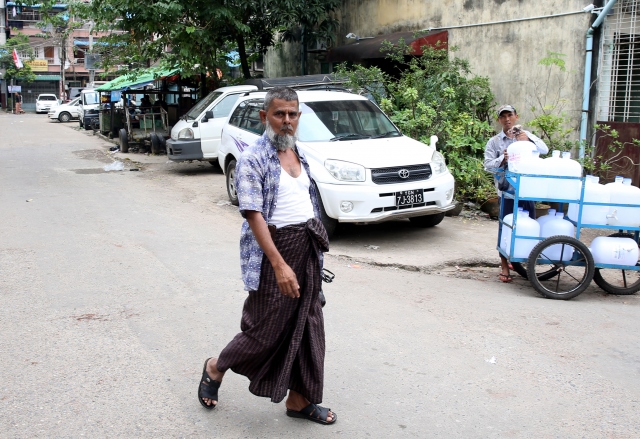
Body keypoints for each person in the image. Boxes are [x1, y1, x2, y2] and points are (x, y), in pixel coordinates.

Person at [197, 86, 336, 425]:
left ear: (298, 117)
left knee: (309, 324)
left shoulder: (299, 153)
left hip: (306, 248)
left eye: (292, 114)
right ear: (264, 116)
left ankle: (299, 400)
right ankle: (215, 367)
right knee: (265, 329)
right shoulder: (253, 158)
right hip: (274, 252)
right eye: (279, 114)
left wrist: (313, 256)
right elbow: (253, 213)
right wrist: (279, 265)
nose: (286, 120)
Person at [484, 104, 548, 283]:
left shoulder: (526, 136)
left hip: (527, 191)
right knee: (505, 228)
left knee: (528, 228)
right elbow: (487, 165)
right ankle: (505, 266)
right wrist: (502, 159)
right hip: (507, 193)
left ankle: (525, 264)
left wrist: (528, 139)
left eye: (510, 115)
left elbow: (544, 150)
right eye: (503, 116)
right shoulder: (495, 142)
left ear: (516, 117)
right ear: (499, 120)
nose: (507, 119)